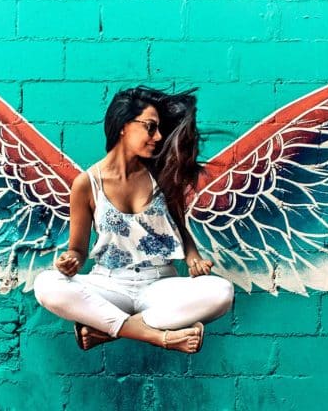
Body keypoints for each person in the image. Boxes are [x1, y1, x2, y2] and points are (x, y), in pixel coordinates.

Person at [33, 86, 234, 353]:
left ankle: (106, 332)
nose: (158, 136)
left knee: (221, 292)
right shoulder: (86, 184)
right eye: (151, 127)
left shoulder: (163, 176)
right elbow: (78, 250)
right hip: (109, 284)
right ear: (123, 126)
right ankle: (156, 336)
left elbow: (180, 229)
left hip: (159, 285)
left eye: (159, 129)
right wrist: (70, 262)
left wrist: (193, 258)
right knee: (47, 285)